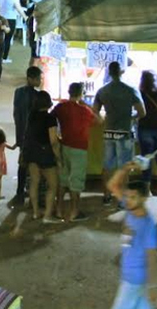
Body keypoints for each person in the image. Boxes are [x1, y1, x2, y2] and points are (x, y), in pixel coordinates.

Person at [107, 161, 157, 309]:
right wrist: (124, 169)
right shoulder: (131, 209)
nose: (128, 200)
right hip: (131, 274)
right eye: (127, 196)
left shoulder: (148, 226)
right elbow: (112, 186)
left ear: (143, 198)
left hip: (134, 277)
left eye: (133, 197)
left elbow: (152, 257)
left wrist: (153, 285)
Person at [93, 61, 146, 205]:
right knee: (124, 167)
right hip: (125, 132)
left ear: (109, 73)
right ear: (121, 72)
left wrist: (104, 118)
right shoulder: (130, 90)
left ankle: (106, 195)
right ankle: (122, 199)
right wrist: (131, 117)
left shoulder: (102, 91)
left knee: (107, 165)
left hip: (109, 132)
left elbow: (95, 110)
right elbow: (142, 112)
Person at [53, 82, 97, 221]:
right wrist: (86, 104)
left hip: (64, 145)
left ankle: (58, 210)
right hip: (80, 148)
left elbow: (51, 117)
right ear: (82, 93)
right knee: (76, 182)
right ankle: (74, 212)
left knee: (63, 180)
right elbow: (100, 121)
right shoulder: (85, 110)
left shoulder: (61, 107)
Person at [23, 91, 61, 222]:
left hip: (31, 153)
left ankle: (35, 212)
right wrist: (58, 157)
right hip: (45, 154)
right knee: (53, 185)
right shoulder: (50, 118)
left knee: (34, 182)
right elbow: (53, 141)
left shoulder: (31, 116)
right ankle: (47, 215)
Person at [9, 66, 42, 208]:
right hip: (32, 136)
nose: (40, 81)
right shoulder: (37, 96)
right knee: (32, 165)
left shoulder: (18, 92)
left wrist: (19, 136)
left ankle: (20, 192)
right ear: (30, 78)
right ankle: (26, 192)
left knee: (23, 164)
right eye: (38, 79)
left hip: (21, 134)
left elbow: (16, 115)